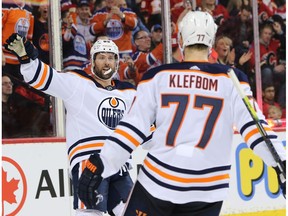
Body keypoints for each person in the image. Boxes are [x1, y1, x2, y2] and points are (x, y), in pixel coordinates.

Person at [76, 11, 286, 215]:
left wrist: (101, 163)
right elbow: (255, 129)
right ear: (211, 41)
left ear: (181, 38)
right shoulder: (232, 78)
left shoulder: (157, 76)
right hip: (207, 190)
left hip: (158, 183)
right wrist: (282, 163)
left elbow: (133, 128)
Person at [5, 35, 136, 216]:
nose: (106, 62)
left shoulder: (128, 92)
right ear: (92, 61)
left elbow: (146, 126)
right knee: (90, 213)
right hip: (88, 161)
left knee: (132, 211)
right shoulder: (78, 84)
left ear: (117, 62)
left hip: (119, 163)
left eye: (111, 57)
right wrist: (26, 59)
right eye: (101, 57)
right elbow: (44, 78)